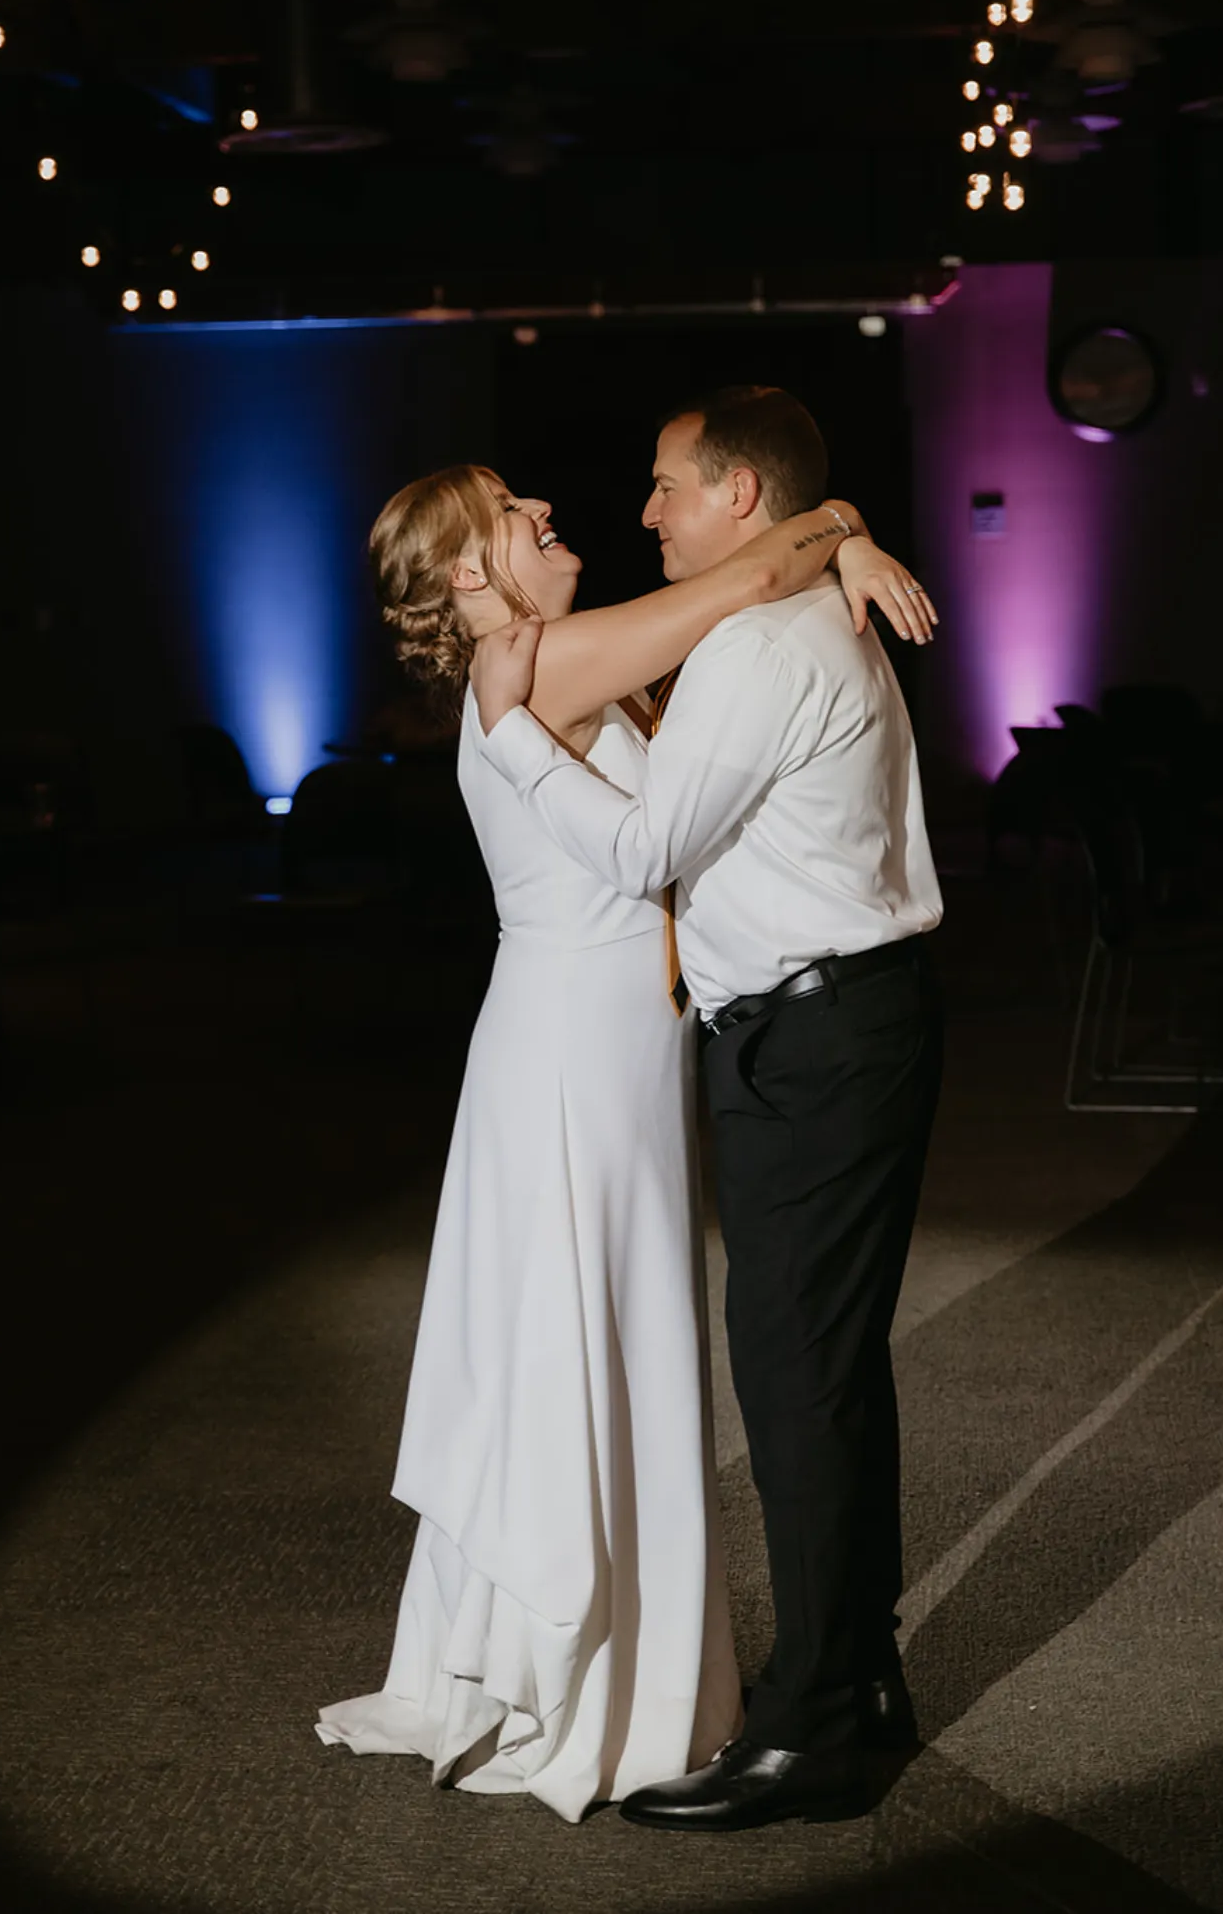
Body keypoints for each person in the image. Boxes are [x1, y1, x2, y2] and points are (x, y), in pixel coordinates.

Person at [316, 457, 935, 1824]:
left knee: (595, 1331)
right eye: (509, 512)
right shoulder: (542, 655)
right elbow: (747, 579)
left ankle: (592, 1655)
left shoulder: (553, 655)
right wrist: (842, 529)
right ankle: (586, 1679)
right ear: (472, 573)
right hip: (572, 1057)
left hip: (609, 1044)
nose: (546, 509)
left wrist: (832, 549)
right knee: (584, 1330)